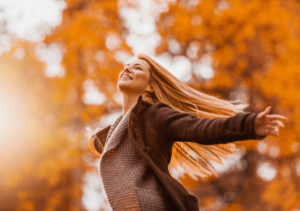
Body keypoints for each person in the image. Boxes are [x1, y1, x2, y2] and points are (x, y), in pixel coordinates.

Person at [88, 53, 288, 211]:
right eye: (126, 66)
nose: (127, 69)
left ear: (150, 86)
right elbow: (114, 147)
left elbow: (200, 129)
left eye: (137, 67)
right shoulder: (116, 130)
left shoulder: (156, 116)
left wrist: (249, 124)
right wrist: (96, 140)